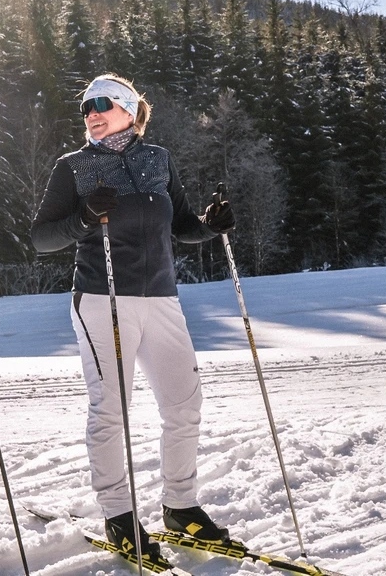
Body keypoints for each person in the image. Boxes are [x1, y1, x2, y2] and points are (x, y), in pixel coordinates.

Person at [30, 74, 237, 560]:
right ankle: (120, 516)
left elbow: (181, 224)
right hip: (103, 298)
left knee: (184, 405)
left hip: (161, 298)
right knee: (110, 410)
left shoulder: (158, 160)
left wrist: (210, 226)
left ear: (128, 108)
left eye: (101, 103)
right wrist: (82, 220)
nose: (91, 113)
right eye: (85, 107)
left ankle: (180, 507)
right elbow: (41, 238)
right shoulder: (74, 167)